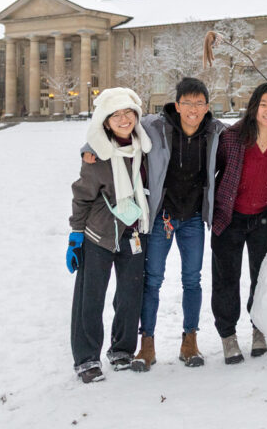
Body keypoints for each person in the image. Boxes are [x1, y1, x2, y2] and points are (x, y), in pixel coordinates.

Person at [82, 77, 225, 371]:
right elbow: (121, 127)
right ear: (177, 104)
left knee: (192, 279)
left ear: (207, 106)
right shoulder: (155, 127)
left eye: (200, 103)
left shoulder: (216, 132)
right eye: (187, 103)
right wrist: (89, 146)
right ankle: (146, 343)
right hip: (162, 217)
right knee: (153, 280)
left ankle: (190, 340)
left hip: (194, 219)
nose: (193, 109)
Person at [67, 87, 151, 383]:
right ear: (105, 121)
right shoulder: (96, 156)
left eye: (128, 112)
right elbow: (82, 197)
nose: (123, 118)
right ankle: (87, 358)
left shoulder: (147, 148)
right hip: (98, 235)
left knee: (130, 295)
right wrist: (75, 235)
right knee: (90, 298)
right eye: (116, 114)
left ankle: (122, 349)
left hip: (134, 234)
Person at [211, 83, 267, 364]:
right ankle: (228, 335)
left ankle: (259, 328)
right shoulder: (232, 137)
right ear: (254, 106)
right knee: (226, 279)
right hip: (230, 218)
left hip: (265, 220)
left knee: (262, 279)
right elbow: (214, 169)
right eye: (264, 104)